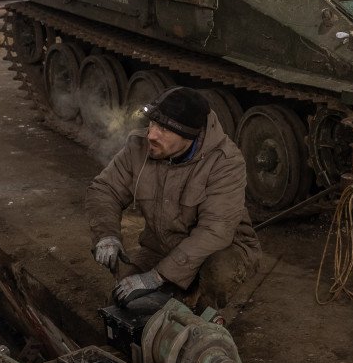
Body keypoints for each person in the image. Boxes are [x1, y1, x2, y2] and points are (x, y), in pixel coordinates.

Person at [86, 86, 259, 312]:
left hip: (218, 249)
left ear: (190, 136)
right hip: (161, 246)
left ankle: (203, 316)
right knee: (122, 306)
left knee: (218, 276)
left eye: (164, 129)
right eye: (153, 123)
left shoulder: (225, 163)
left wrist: (157, 276)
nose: (151, 134)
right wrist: (107, 235)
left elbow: (214, 232)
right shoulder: (139, 147)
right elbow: (105, 189)